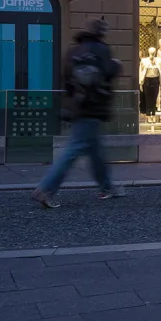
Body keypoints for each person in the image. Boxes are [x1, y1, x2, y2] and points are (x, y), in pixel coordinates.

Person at [33, 19, 124, 207]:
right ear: (101, 33)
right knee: (74, 149)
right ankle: (46, 189)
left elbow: (65, 79)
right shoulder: (101, 50)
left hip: (76, 105)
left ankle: (107, 187)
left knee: (95, 151)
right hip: (93, 106)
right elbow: (109, 72)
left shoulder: (73, 51)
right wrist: (116, 65)